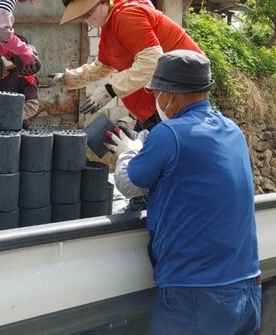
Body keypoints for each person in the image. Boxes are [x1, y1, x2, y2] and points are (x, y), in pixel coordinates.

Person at [104, 50, 261, 334]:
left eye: (157, 94)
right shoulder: (232, 130)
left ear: (172, 96)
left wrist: (129, 151)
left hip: (197, 295)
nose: (156, 102)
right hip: (247, 288)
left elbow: (129, 183)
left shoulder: (170, 134)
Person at [40, 0, 204, 210]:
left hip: (176, 104)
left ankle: (151, 215)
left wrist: (109, 90)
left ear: (102, 0)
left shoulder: (127, 15)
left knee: (154, 177)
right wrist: (68, 78)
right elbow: (102, 66)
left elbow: (152, 61)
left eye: (86, 13)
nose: (85, 19)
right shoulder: (109, 26)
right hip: (155, 107)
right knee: (151, 169)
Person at [0, 35, 39, 129]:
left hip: (20, 128)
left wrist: (13, 117)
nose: (3, 55)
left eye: (7, 52)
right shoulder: (4, 78)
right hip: (3, 127)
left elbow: (32, 106)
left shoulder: (27, 77)